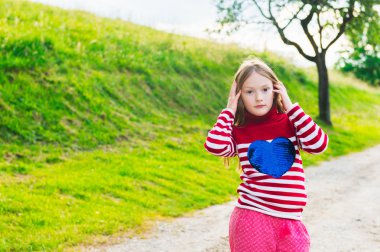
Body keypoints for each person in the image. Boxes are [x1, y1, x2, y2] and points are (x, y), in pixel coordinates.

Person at [204, 58, 329, 252]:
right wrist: (229, 110)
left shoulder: (291, 123)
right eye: (249, 91)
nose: (259, 98)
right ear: (239, 96)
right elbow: (214, 145)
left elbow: (318, 144)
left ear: (276, 89)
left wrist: (290, 106)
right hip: (253, 218)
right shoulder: (240, 132)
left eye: (265, 89)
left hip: (292, 221)